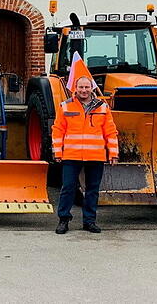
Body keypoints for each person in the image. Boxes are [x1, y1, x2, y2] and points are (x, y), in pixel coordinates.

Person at [52, 76, 119, 234]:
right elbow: (57, 130)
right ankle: (63, 220)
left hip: (95, 156)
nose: (84, 90)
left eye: (86, 87)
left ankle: (89, 221)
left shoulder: (103, 107)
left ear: (92, 88)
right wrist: (57, 152)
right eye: (81, 87)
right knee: (68, 188)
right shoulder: (66, 106)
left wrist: (113, 153)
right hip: (71, 155)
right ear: (75, 88)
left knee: (92, 190)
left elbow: (110, 132)